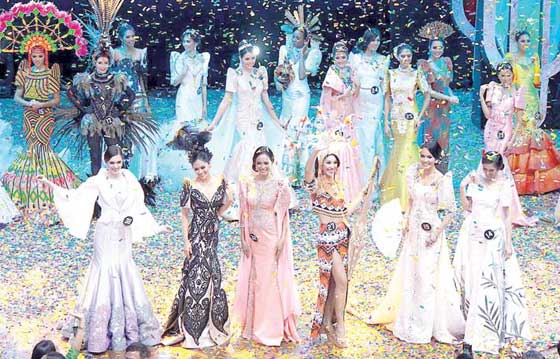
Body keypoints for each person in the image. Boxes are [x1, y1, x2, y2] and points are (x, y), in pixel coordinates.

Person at [38, 145, 166, 353]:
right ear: (106, 162)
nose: (116, 166)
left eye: (119, 162)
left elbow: (138, 207)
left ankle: (129, 325)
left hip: (124, 234)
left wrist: (156, 226)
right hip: (104, 234)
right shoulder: (98, 181)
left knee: (125, 270)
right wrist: (51, 185)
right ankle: (98, 329)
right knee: (105, 273)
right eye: (112, 163)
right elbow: (75, 196)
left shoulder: (129, 178)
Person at [367, 142, 464, 344]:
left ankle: (425, 325)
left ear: (436, 159)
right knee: (411, 274)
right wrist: (406, 220)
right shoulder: (414, 174)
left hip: (431, 234)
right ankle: (408, 321)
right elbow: (411, 200)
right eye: (423, 156)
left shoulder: (442, 180)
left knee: (426, 277)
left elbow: (451, 211)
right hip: (414, 231)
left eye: (429, 157)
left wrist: (437, 231)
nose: (425, 161)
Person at [454, 151, 530, 355]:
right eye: (486, 169)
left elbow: (506, 217)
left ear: (499, 169)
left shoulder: (504, 185)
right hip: (474, 235)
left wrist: (508, 242)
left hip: (493, 236)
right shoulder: (474, 180)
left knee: (487, 283)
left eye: (492, 170)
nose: (488, 173)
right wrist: (462, 186)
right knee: (472, 281)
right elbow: (467, 207)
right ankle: (472, 327)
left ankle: (488, 331)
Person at [162, 126, 233, 348]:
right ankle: (192, 329)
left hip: (212, 236)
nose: (201, 172)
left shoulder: (220, 180)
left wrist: (217, 217)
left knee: (212, 275)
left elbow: (227, 202)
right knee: (195, 276)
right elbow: (184, 215)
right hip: (196, 236)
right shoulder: (189, 185)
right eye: (197, 169)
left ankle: (211, 325)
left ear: (209, 165)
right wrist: (186, 241)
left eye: (203, 168)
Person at [1, 46, 80, 220]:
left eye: (40, 56)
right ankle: (29, 186)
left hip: (45, 114)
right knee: (31, 146)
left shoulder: (51, 74)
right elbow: (17, 96)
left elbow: (56, 99)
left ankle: (46, 184)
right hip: (29, 113)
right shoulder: (25, 73)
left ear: (45, 56)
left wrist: (41, 105)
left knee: (42, 146)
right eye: (34, 56)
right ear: (30, 57)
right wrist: (29, 104)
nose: (37, 59)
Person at [303, 145, 370, 348]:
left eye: (334, 163)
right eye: (328, 162)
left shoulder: (338, 185)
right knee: (340, 280)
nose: (331, 166)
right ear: (321, 165)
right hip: (327, 239)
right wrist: (314, 153)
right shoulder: (317, 185)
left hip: (343, 236)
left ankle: (328, 323)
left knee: (338, 282)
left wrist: (363, 194)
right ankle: (340, 325)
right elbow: (307, 174)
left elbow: (345, 211)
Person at [234, 146, 301, 345]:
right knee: (255, 280)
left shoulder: (280, 185)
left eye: (266, 163)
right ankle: (254, 325)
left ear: (272, 163)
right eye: (259, 163)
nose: (262, 166)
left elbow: (284, 216)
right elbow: (243, 214)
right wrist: (243, 238)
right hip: (253, 238)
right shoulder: (246, 184)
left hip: (271, 237)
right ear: (254, 164)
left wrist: (281, 240)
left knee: (269, 280)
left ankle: (271, 327)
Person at [206, 40, 287, 183]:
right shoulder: (234, 74)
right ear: (241, 58)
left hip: (258, 117)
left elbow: (266, 99)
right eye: (247, 59)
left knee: (260, 145)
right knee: (248, 145)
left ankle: (262, 181)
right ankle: (245, 182)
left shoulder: (260, 73)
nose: (250, 62)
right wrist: (214, 123)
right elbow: (227, 99)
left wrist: (277, 121)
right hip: (242, 118)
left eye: (253, 58)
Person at [479, 62, 538, 227]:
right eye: (502, 75)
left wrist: (511, 140)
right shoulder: (493, 88)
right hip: (491, 130)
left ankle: (506, 210)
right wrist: (481, 97)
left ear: (513, 75)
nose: (505, 78)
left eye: (508, 75)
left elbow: (519, 121)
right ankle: (487, 207)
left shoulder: (518, 91)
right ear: (498, 76)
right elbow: (488, 114)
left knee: (501, 165)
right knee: (487, 162)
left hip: (505, 131)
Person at [66, 44, 136, 176]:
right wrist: (83, 108)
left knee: (115, 153)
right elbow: (70, 92)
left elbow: (131, 95)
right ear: (94, 62)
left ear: (110, 64)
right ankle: (96, 185)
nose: (102, 66)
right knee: (95, 154)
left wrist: (120, 108)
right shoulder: (87, 79)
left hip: (111, 121)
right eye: (100, 62)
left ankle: (118, 182)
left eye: (105, 63)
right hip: (93, 122)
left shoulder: (115, 79)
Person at [505, 31, 560, 194]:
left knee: (532, 131)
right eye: (522, 41)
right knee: (520, 130)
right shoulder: (511, 58)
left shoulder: (534, 57)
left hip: (532, 98)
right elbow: (509, 80)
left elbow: (536, 82)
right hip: (518, 97)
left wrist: (536, 65)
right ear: (517, 42)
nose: (525, 43)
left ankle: (536, 177)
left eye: (528, 40)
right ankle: (519, 176)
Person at [157, 29, 210, 191]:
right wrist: (183, 71)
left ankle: (199, 167)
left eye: (188, 41)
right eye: (184, 41)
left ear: (195, 42)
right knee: (184, 131)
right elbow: (174, 82)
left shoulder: (203, 57)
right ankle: (182, 171)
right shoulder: (179, 57)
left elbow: (204, 83)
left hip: (196, 98)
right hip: (184, 97)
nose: (185, 44)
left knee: (198, 132)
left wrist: (204, 105)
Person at [275, 5, 322, 185]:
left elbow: (302, 75)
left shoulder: (313, 53)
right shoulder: (284, 51)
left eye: (298, 38)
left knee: (299, 128)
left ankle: (302, 172)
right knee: (286, 127)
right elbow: (279, 73)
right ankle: (286, 173)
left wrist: (302, 56)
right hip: (288, 95)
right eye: (293, 37)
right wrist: (280, 81)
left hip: (302, 95)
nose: (295, 40)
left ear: (305, 39)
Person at [380, 43, 431, 210]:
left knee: (408, 149)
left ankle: (409, 193)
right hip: (396, 116)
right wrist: (386, 120)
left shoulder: (417, 74)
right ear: (397, 57)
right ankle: (396, 193)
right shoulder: (391, 74)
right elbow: (387, 97)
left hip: (411, 116)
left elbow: (427, 94)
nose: (406, 59)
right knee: (397, 149)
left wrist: (420, 115)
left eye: (409, 56)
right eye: (403, 56)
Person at [112, 22, 158, 183]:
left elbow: (141, 78)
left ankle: (140, 171)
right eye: (128, 37)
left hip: (137, 95)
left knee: (139, 131)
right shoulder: (115, 53)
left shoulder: (140, 53)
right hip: (121, 96)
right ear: (121, 38)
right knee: (123, 131)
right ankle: (120, 166)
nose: (131, 39)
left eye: (133, 36)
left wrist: (146, 101)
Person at [318, 41, 364, 202]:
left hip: (349, 110)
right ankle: (333, 187)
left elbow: (356, 93)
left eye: (343, 57)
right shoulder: (331, 72)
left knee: (350, 146)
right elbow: (327, 97)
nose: (340, 60)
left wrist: (355, 87)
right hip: (336, 111)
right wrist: (340, 99)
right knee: (337, 146)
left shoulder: (351, 71)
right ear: (333, 58)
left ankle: (350, 189)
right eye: (337, 57)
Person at [417, 21, 459, 172]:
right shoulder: (424, 65)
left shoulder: (446, 62)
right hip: (432, 107)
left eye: (440, 47)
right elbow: (428, 91)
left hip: (445, 109)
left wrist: (452, 95)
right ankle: (428, 172)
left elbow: (447, 86)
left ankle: (442, 174)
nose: (438, 50)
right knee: (431, 139)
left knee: (444, 140)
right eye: (434, 47)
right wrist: (449, 98)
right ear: (429, 48)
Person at [349, 27, 390, 178]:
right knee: (361, 137)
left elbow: (385, 88)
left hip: (375, 100)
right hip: (359, 99)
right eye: (373, 40)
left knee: (373, 138)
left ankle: (375, 178)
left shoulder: (382, 60)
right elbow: (351, 79)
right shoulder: (355, 58)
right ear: (366, 41)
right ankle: (360, 177)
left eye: (378, 40)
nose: (376, 43)